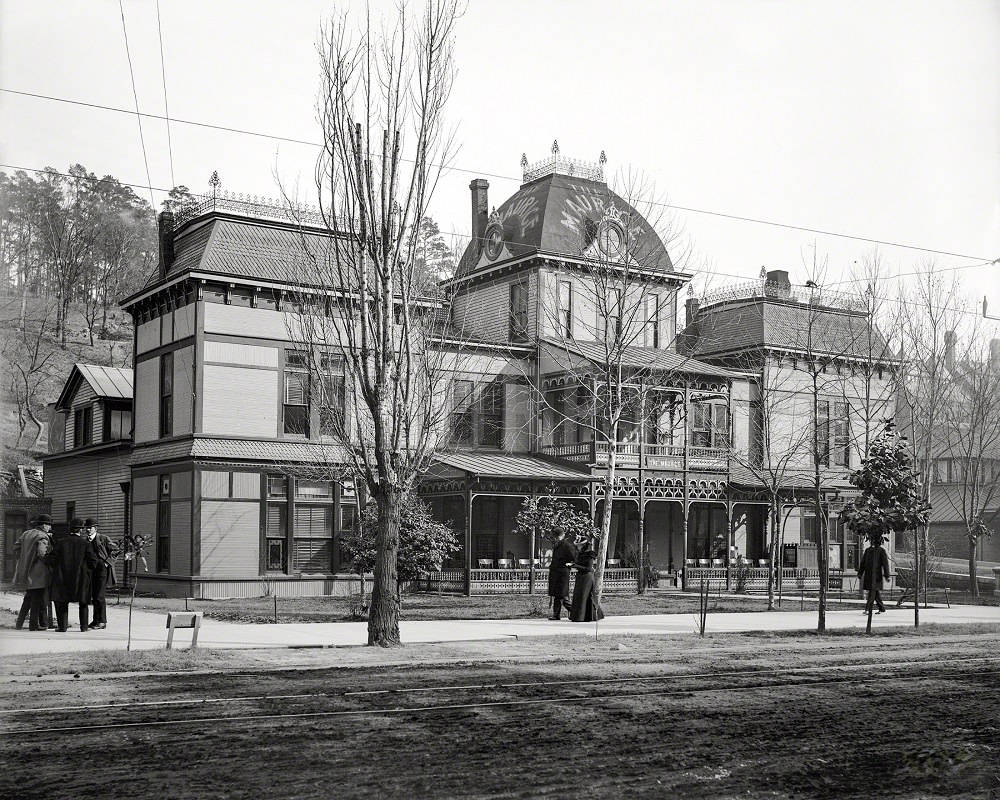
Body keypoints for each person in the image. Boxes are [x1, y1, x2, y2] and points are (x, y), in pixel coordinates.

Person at [48, 517, 98, 632]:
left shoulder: (60, 542)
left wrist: (56, 570)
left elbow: (51, 559)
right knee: (83, 603)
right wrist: (86, 572)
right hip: (81, 578)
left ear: (69, 529)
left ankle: (62, 627)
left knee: (62, 602)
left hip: (62, 578)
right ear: (80, 530)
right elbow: (93, 561)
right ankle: (84, 627)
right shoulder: (86, 544)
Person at [13, 514, 53, 631]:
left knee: (28, 598)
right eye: (49, 525)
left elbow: (16, 547)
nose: (49, 528)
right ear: (45, 525)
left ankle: (19, 623)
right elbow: (42, 553)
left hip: (26, 570)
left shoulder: (26, 533)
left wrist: (26, 555)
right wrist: (50, 562)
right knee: (37, 599)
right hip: (38, 572)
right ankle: (33, 625)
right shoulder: (43, 536)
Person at [85, 518, 118, 630]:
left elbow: (116, 550)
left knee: (99, 596)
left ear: (96, 528)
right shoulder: (86, 541)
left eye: (90, 528)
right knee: (94, 596)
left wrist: (107, 563)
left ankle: (102, 621)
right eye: (87, 528)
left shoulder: (103, 539)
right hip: (91, 572)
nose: (88, 530)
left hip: (102, 571)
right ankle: (96, 620)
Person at [569, 535, 605, 623]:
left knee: (585, 595)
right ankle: (579, 616)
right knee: (579, 595)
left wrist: (575, 566)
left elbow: (588, 568)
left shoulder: (590, 554)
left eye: (580, 545)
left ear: (584, 545)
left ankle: (585, 616)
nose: (578, 546)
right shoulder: (580, 554)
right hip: (581, 577)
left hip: (587, 577)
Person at [547, 527, 577, 620]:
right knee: (557, 595)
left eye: (558, 537)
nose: (557, 538)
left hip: (562, 573)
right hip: (556, 573)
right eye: (556, 537)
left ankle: (576, 612)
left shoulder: (567, 546)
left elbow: (574, 558)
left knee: (562, 595)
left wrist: (569, 565)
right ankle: (556, 615)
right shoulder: (557, 545)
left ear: (563, 536)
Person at [857, 536, 891, 614]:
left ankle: (868, 609)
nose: (872, 542)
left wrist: (887, 575)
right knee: (875, 593)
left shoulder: (881, 551)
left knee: (872, 593)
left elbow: (885, 564)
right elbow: (863, 563)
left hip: (877, 576)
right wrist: (860, 573)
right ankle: (881, 608)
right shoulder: (867, 551)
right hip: (868, 575)